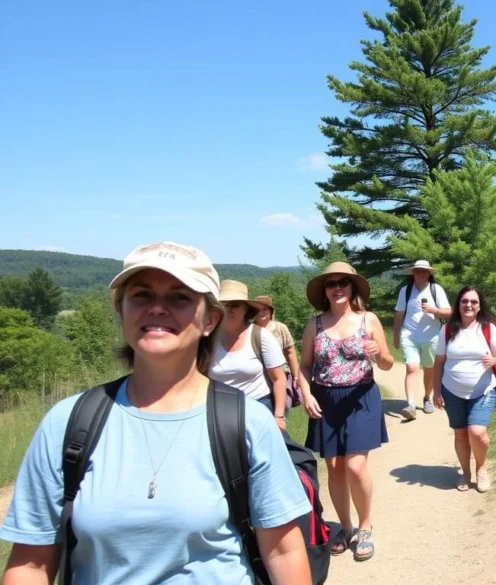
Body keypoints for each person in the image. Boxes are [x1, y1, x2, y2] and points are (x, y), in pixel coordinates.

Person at [0, 241, 312, 584]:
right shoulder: (68, 423)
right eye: (142, 295)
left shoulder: (248, 423)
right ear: (121, 309)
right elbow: (30, 563)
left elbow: (283, 551)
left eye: (179, 297)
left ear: (209, 319)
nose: (157, 308)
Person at [300, 261, 394, 562]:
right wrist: (304, 393)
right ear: (324, 291)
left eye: (343, 282)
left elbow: (388, 363)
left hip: (361, 397)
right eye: (331, 283)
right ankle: (345, 527)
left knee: (355, 466)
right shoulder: (314, 325)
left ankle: (365, 526)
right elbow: (304, 365)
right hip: (325, 399)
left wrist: (379, 354)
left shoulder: (369, 320)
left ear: (352, 288)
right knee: (335, 467)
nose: (337, 287)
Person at [432, 286, 496, 493]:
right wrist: (436, 391)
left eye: (473, 302)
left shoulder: (488, 329)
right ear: (458, 304)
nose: (469, 305)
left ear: (479, 305)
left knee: (477, 433)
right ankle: (465, 473)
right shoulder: (447, 330)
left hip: (483, 390)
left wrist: (493, 360)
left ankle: (481, 468)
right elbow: (438, 363)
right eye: (465, 301)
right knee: (460, 434)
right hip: (451, 391)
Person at [209, 280, 289, 425]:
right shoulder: (207, 338)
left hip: (259, 408)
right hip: (218, 411)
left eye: (235, 305)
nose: (229, 309)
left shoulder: (260, 336)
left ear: (245, 309)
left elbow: (278, 378)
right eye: (224, 304)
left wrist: (278, 417)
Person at [392, 260, 452, 421]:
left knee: (429, 369)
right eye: (418, 270)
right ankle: (410, 405)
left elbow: (449, 312)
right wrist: (396, 335)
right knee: (412, 368)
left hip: (432, 336)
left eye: (424, 271)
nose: (420, 273)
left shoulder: (436, 290)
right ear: (413, 273)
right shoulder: (406, 290)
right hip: (409, 335)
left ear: (429, 274)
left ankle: (427, 398)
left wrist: (435, 310)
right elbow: (399, 315)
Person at [253, 295, 302, 408]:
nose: (261, 312)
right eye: (257, 310)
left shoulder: (280, 328)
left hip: (280, 374)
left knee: (281, 409)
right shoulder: (249, 330)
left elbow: (290, 351)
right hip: (258, 377)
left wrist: (296, 376)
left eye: (264, 309)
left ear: (271, 311)